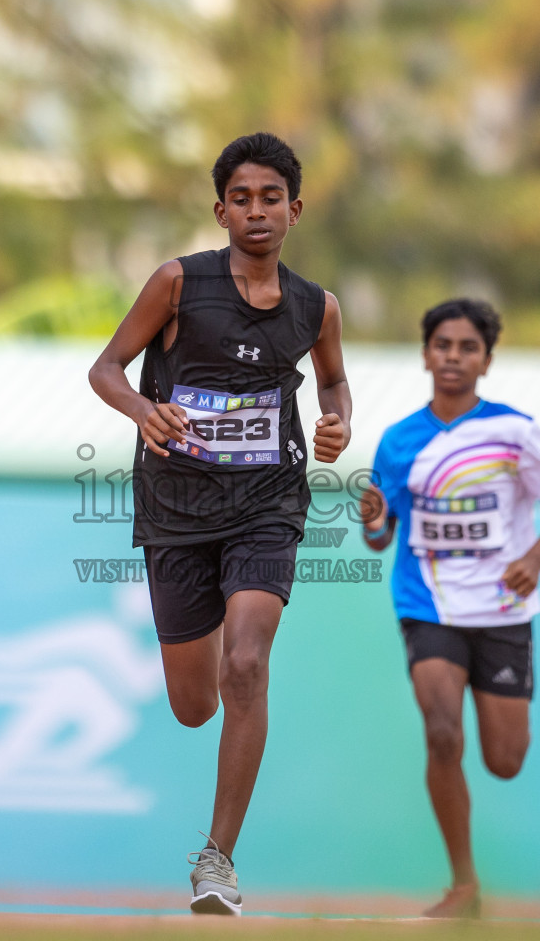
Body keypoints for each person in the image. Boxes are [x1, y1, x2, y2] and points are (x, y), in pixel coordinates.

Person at [88, 132, 352, 915]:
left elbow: (335, 386)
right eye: (241, 198)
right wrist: (142, 409)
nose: (257, 211)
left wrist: (337, 425)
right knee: (194, 702)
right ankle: (197, 652)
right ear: (221, 210)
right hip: (176, 513)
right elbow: (105, 367)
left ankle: (217, 861)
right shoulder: (177, 283)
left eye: (271, 197)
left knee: (246, 666)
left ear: (294, 210)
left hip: (267, 507)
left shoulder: (317, 306)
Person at [360, 298, 540, 918]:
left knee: (505, 761)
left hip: (505, 609)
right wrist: (374, 522)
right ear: (425, 353)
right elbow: (381, 535)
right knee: (440, 731)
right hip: (427, 605)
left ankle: (469, 879)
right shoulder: (399, 441)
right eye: (442, 346)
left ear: (486, 359)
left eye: (467, 348)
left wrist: (534, 559)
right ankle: (463, 885)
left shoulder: (516, 431)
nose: (453, 357)